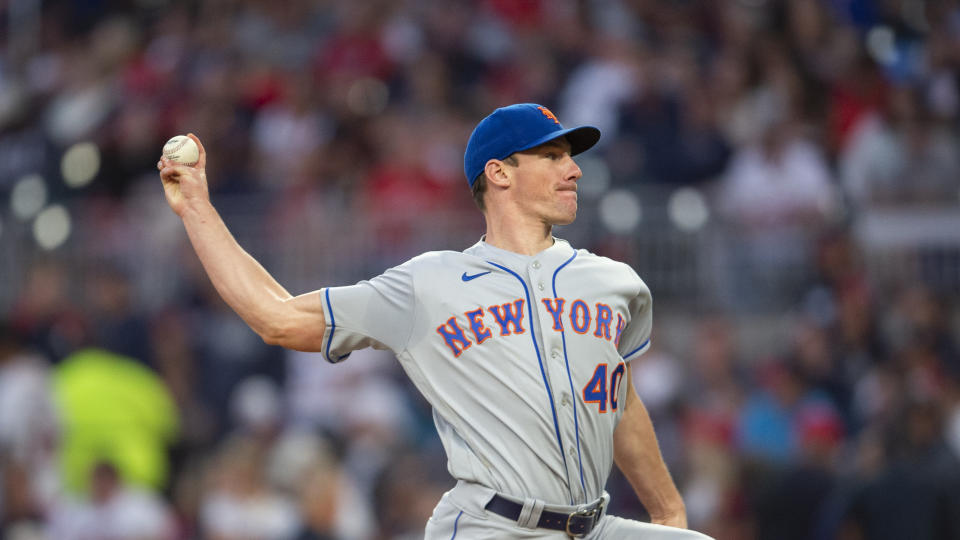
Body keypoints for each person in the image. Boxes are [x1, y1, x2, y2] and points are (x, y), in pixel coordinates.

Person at [157, 103, 712, 539]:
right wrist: (198, 208)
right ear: (499, 173)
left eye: (571, 155)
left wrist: (668, 514)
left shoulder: (615, 283)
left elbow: (621, 398)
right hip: (493, 528)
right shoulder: (428, 284)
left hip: (595, 527)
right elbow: (275, 317)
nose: (574, 169)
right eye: (552, 155)